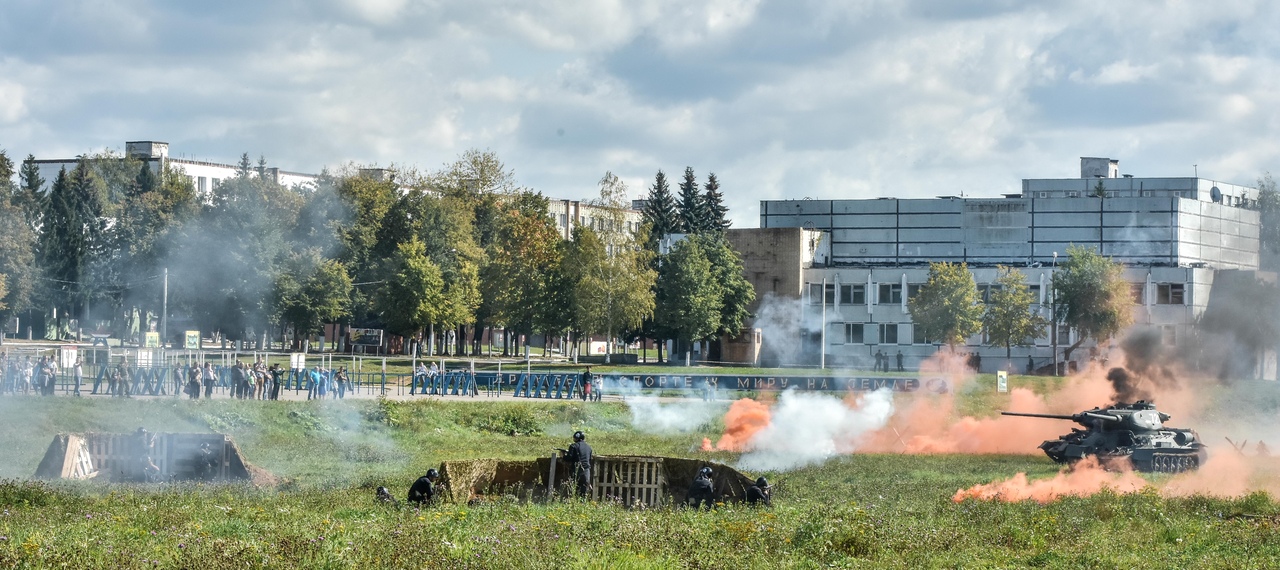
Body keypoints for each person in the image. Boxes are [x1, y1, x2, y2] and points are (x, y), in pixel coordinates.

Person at [562, 431, 592, 497]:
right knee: (584, 489)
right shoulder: (589, 447)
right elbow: (589, 459)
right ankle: (583, 503)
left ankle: (574, 502)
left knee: (575, 488)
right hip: (586, 471)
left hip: (577, 470)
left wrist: (563, 455)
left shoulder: (573, 446)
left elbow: (569, 458)